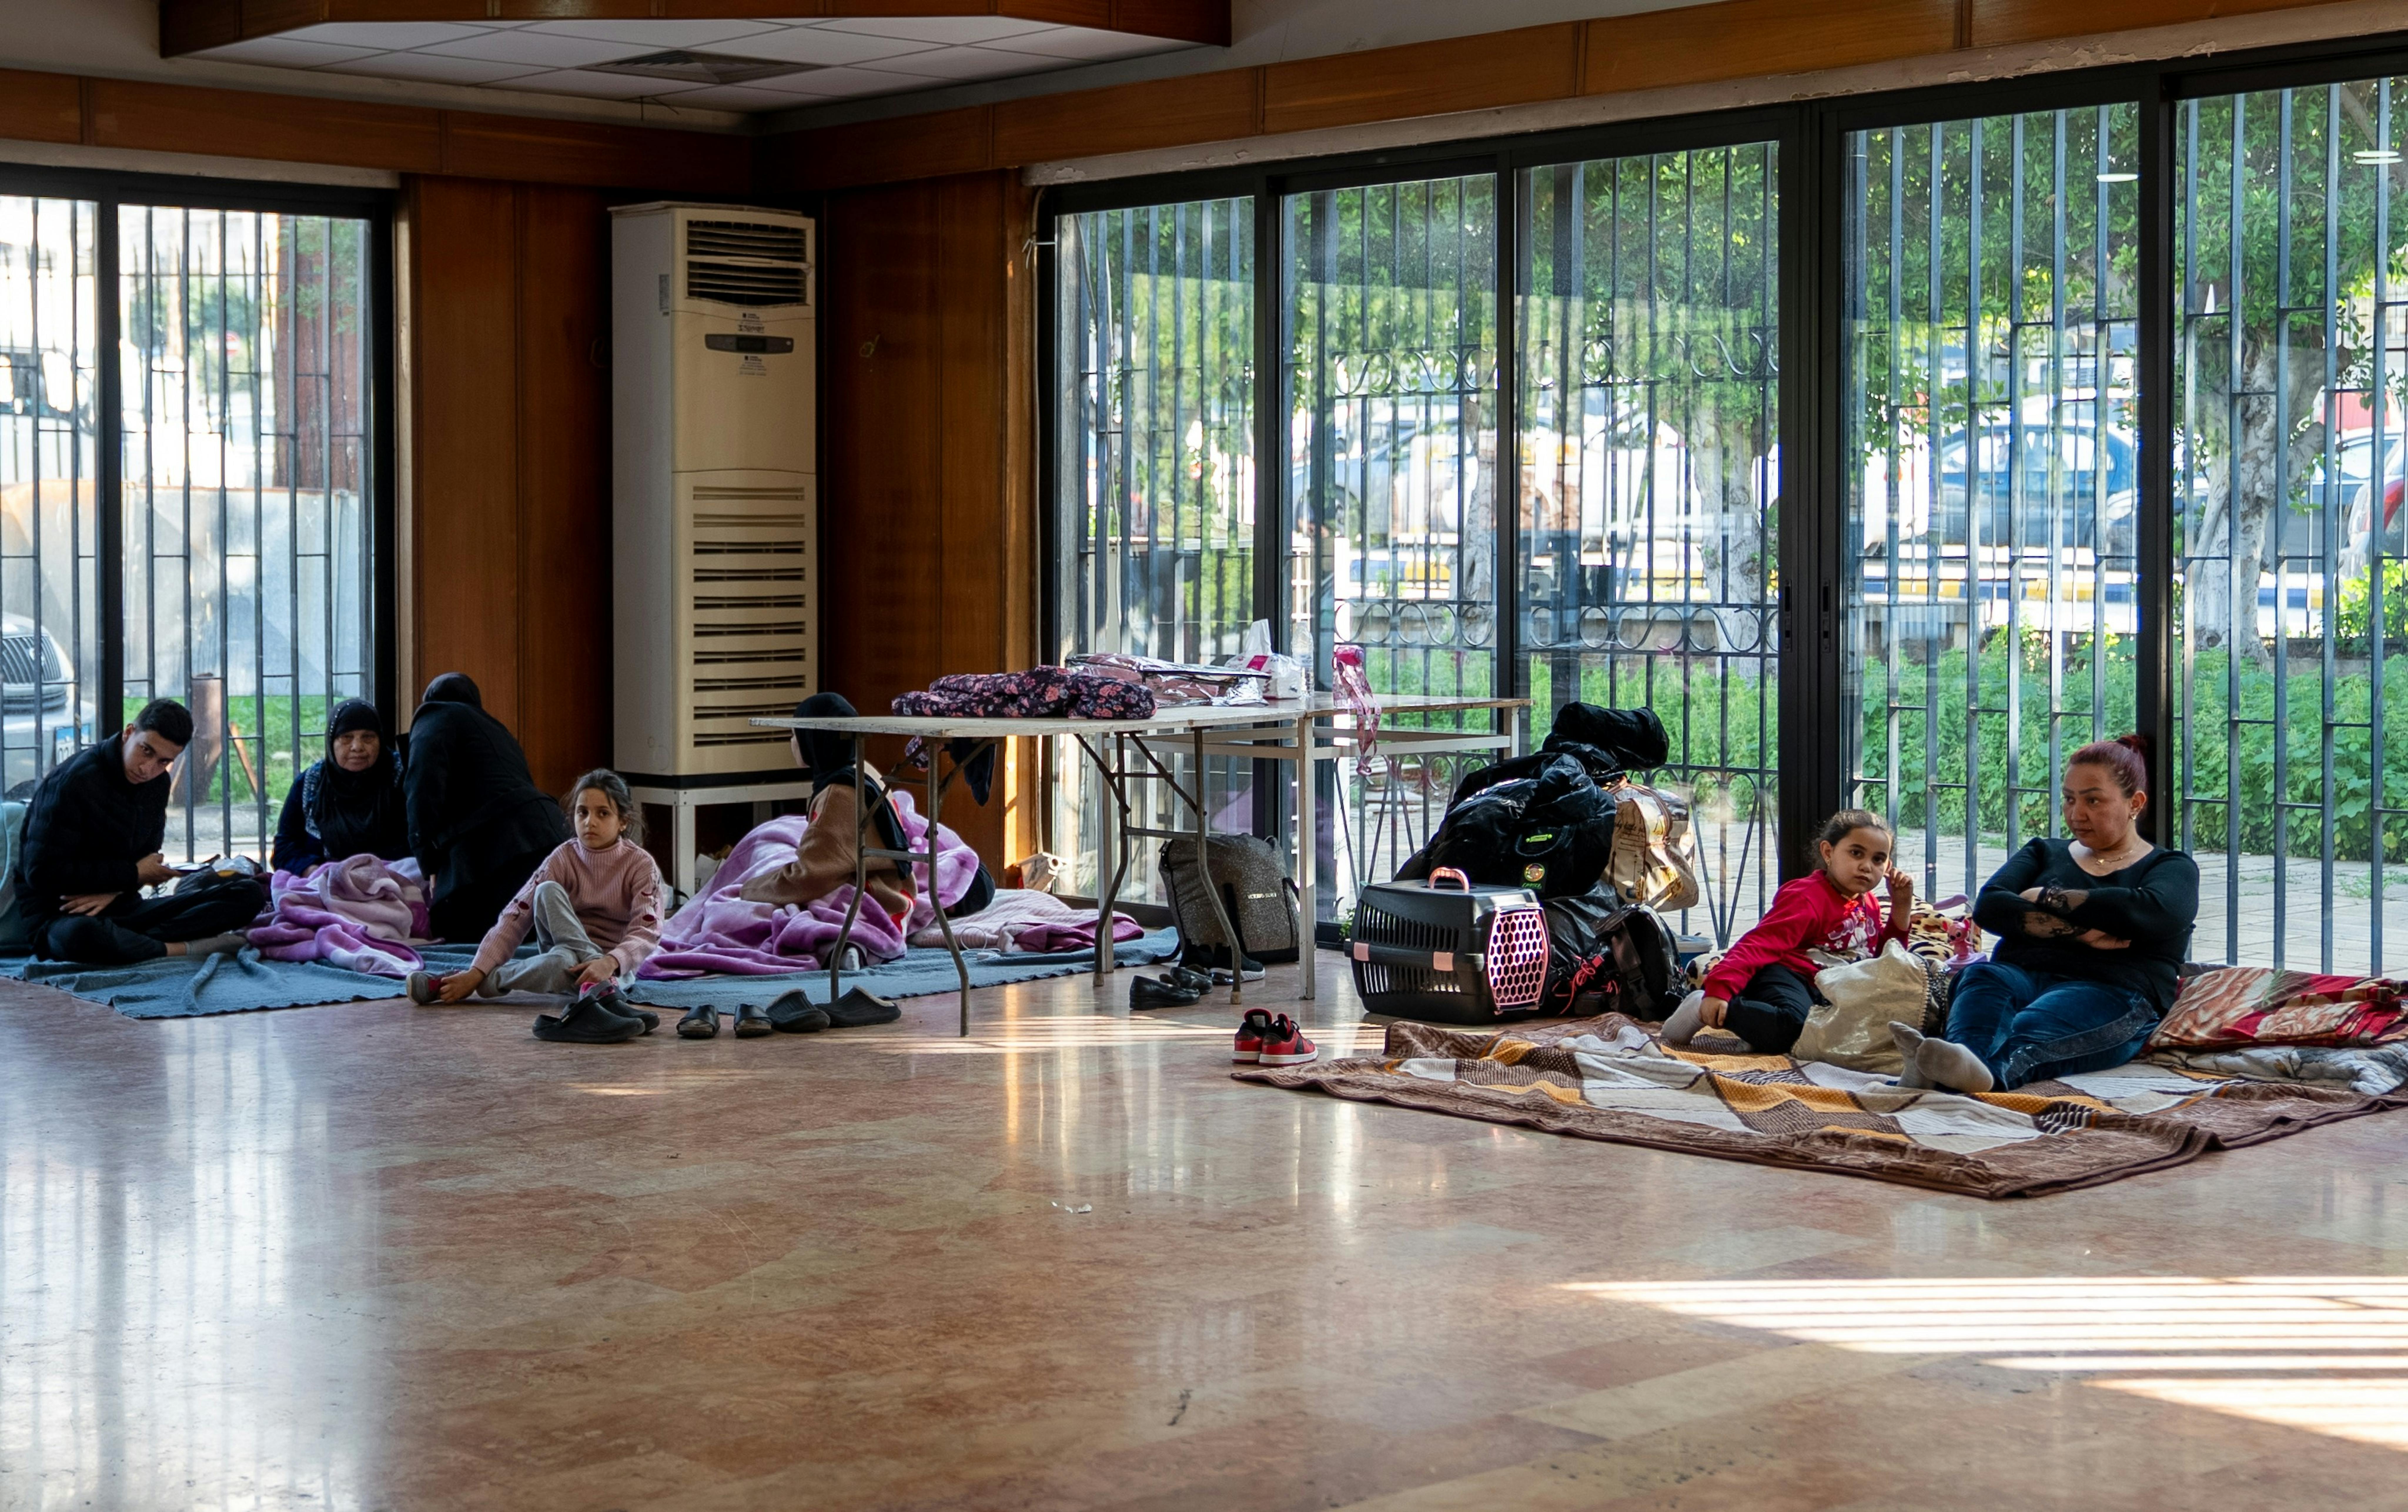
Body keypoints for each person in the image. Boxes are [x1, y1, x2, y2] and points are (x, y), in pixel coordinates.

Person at [1894, 734, 2199, 1095]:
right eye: (2069, 799)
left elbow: (2146, 911)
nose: (2076, 814)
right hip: (2020, 972)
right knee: (1984, 979)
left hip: (2110, 989)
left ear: (2134, 803)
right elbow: (1992, 905)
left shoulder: (2170, 867)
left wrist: (2043, 895)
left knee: (2036, 1023)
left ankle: (1981, 1075)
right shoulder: (2043, 851)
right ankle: (1959, 1061)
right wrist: (2081, 933)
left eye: (2093, 800)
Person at [17, 699, 266, 965]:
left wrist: (118, 888)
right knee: (83, 936)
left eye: (164, 761)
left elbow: (145, 859)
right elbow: (40, 873)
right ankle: (182, 949)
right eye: (146, 751)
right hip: (63, 915)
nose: (148, 769)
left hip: (123, 905)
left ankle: (133, 944)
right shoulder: (73, 783)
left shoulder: (157, 785)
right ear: (129, 733)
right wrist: (132, 875)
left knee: (248, 894)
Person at [1661, 809, 1913, 1054]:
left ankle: (1757, 1031)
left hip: (1829, 988)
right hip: (1788, 975)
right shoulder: (1807, 897)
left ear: (1888, 865)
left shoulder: (1869, 903)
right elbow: (1758, 945)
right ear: (1828, 852)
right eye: (1857, 853)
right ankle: (1701, 1008)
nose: (1867, 866)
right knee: (1796, 1028)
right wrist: (1719, 991)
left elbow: (1886, 960)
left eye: (1878, 859)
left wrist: (1902, 906)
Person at [408, 769, 668, 1004]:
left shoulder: (641, 865)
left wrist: (609, 962)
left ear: (623, 821)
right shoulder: (563, 857)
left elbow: (647, 931)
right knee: (546, 890)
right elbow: (516, 914)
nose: (590, 822)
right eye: (583, 812)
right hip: (569, 951)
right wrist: (478, 966)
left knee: (559, 966)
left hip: (612, 969)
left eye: (603, 813)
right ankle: (593, 980)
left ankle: (466, 982)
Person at [401, 672, 571, 941]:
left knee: (457, 931)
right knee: (536, 932)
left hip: (493, 850)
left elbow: (422, 786)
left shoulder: (435, 715)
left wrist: (428, 860)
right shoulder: (496, 730)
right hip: (549, 834)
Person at [270, 698, 409, 876]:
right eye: (346, 738)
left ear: (380, 740)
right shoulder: (312, 782)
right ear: (331, 742)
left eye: (368, 737)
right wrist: (313, 872)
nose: (357, 747)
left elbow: (420, 843)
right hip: (323, 885)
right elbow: (285, 848)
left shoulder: (403, 778)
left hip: (393, 882)